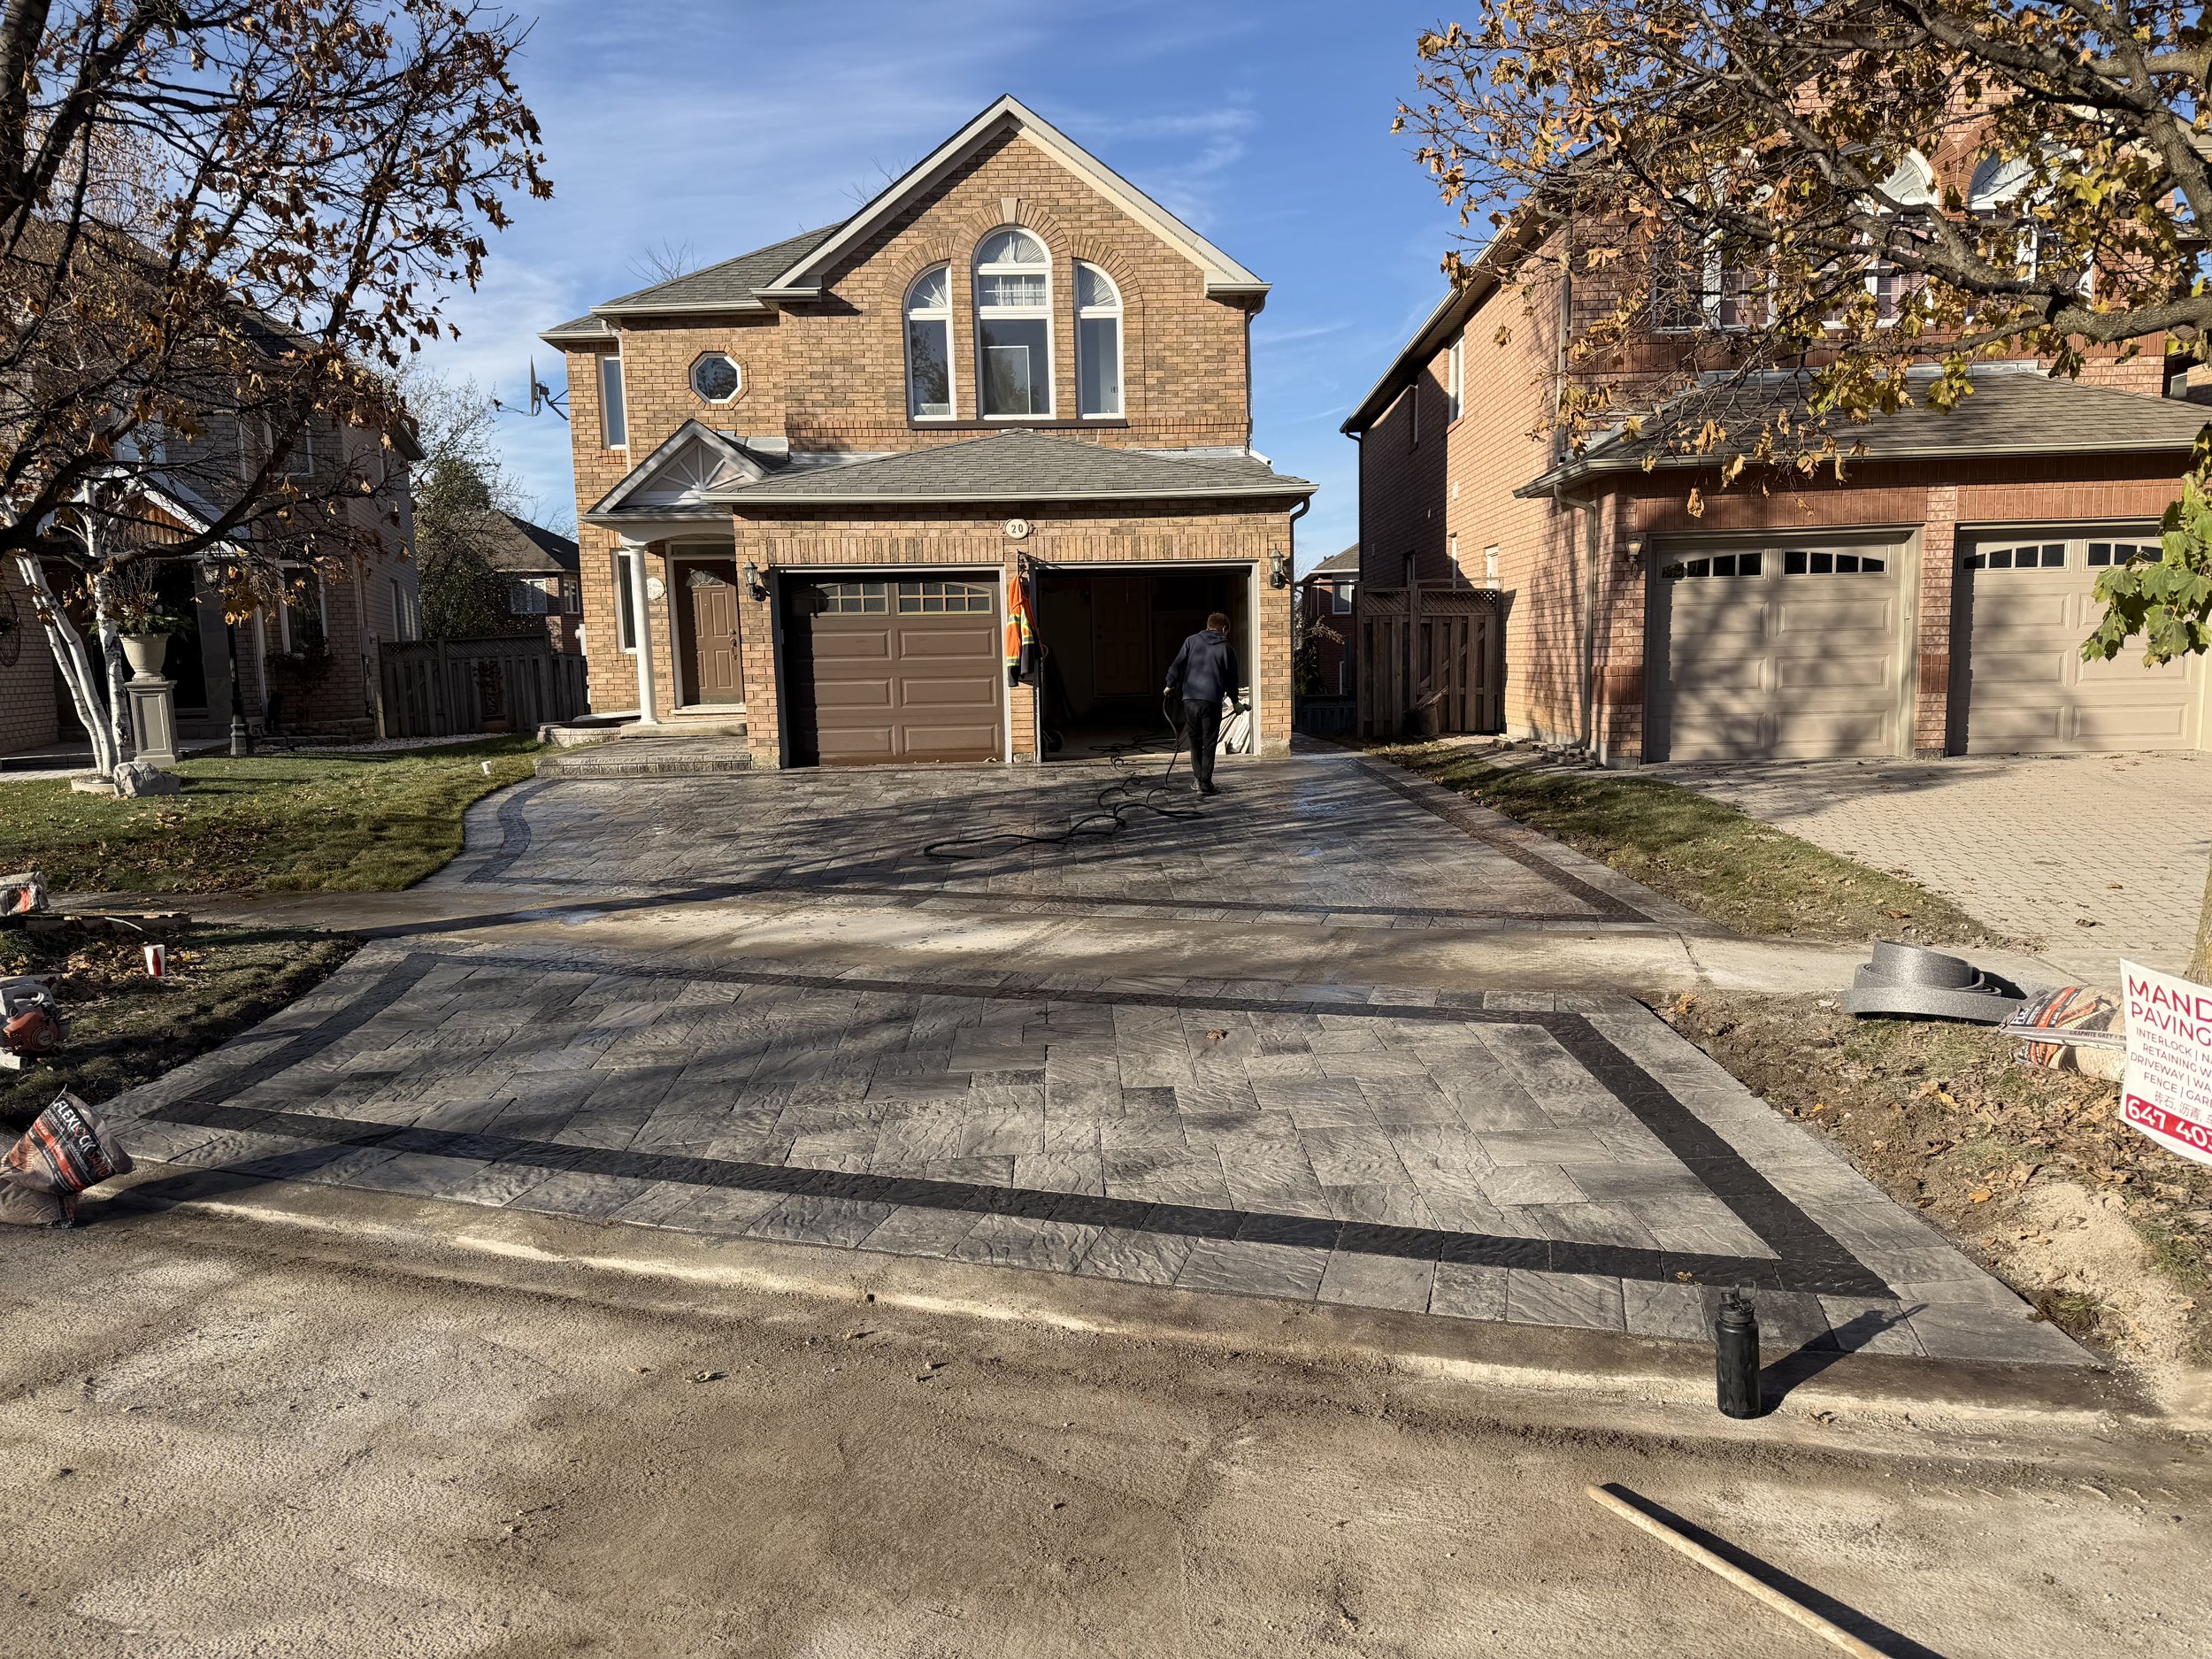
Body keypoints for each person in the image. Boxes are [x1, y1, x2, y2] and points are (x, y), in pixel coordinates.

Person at [1163, 611, 1241, 795]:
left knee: (1195, 741)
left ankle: (1197, 780)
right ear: (1223, 629)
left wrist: (1169, 685)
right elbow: (1232, 679)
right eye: (1227, 631)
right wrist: (1236, 701)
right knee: (1209, 744)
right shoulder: (1227, 649)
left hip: (1190, 700)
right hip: (1211, 702)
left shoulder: (1191, 641)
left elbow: (1177, 665)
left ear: (1208, 626)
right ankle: (1205, 784)